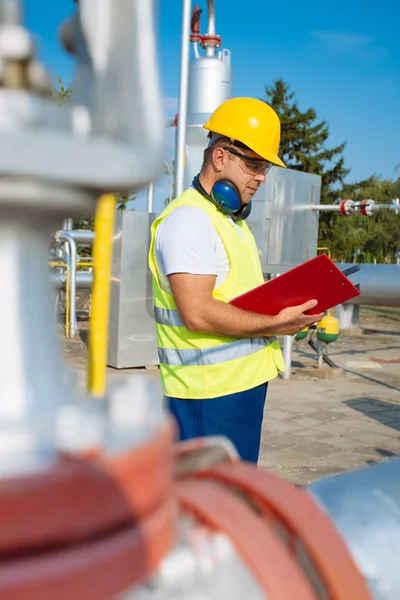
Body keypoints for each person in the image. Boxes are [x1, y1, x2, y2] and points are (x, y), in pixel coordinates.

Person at [148, 97, 322, 463]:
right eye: (254, 165)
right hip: (206, 395)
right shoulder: (189, 221)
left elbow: (240, 299)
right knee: (207, 505)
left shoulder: (229, 220)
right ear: (220, 156)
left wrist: (291, 316)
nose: (261, 177)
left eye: (265, 169)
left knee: (232, 497)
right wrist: (276, 323)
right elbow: (197, 313)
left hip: (238, 389)